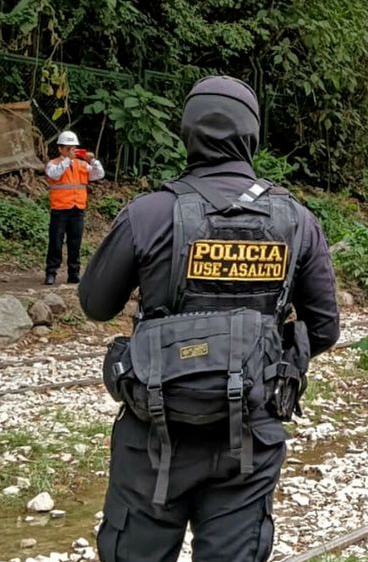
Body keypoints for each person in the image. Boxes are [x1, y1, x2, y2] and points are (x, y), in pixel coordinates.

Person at [78, 76, 340, 562]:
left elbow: (95, 305)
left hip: (154, 433)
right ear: (252, 135)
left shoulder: (149, 213)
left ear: (188, 131)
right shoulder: (296, 221)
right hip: (249, 436)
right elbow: (324, 328)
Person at [45, 130, 105, 285]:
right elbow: (55, 175)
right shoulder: (53, 164)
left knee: (75, 243)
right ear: (60, 149)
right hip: (60, 209)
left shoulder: (82, 164)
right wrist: (67, 160)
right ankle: (51, 272)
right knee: (56, 242)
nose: (71, 151)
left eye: (73, 148)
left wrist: (93, 161)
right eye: (68, 148)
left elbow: (98, 174)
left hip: (77, 208)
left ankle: (74, 273)